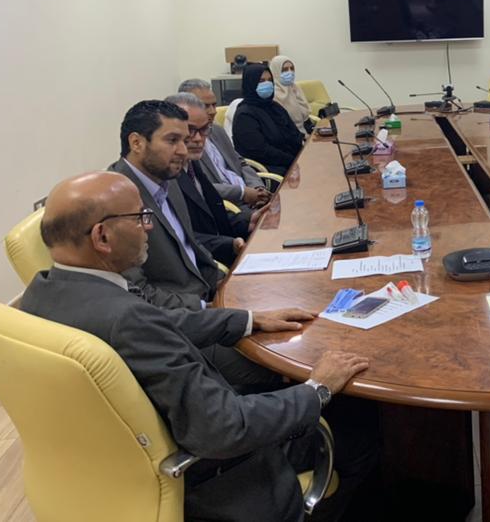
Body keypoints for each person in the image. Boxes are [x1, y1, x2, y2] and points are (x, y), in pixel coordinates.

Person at [20, 171, 377, 522]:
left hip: (117, 464)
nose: (149, 226)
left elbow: (163, 323)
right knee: (361, 425)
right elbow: (223, 428)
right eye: (141, 217)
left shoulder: (42, 292)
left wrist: (248, 320)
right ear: (102, 236)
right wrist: (318, 388)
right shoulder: (129, 320)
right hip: (224, 476)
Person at [110, 100, 224, 310]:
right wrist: (206, 308)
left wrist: (227, 283)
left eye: (184, 141)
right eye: (172, 140)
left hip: (210, 294)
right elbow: (136, 291)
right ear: (136, 143)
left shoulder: (168, 179)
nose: (183, 151)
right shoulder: (114, 200)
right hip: (178, 316)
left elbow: (190, 246)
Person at [166, 92, 256, 267]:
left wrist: (248, 221)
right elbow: (183, 236)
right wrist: (229, 244)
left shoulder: (191, 164)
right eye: (190, 130)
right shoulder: (166, 176)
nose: (199, 139)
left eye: (204, 130)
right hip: (206, 265)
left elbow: (212, 212)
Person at [177, 78, 270, 214]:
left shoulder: (217, 130)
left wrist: (257, 188)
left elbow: (240, 163)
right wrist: (243, 193)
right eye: (205, 106)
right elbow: (197, 186)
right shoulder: (184, 145)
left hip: (251, 198)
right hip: (229, 207)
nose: (212, 111)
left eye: (214, 105)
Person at [233, 63, 306, 176]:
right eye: (261, 81)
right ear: (251, 83)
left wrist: (304, 153)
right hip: (270, 169)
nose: (267, 84)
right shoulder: (244, 115)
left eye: (269, 80)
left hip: (291, 162)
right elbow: (261, 151)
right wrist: (292, 160)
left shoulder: (275, 107)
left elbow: (294, 134)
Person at [270, 55, 314, 136]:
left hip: (305, 133)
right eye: (285, 70)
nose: (290, 72)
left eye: (292, 68)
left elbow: (305, 117)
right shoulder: (273, 94)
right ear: (275, 71)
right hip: (289, 137)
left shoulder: (295, 88)